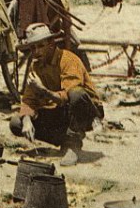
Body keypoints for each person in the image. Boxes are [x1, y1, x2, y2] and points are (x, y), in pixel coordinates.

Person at [10, 23, 104, 166]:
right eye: (33, 47)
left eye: (40, 45)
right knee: (17, 123)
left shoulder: (68, 60)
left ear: (51, 44)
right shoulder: (36, 65)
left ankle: (73, 145)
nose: (36, 51)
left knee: (76, 94)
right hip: (60, 111)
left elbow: (69, 95)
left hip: (85, 110)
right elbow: (29, 99)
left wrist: (43, 90)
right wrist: (27, 119)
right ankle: (65, 141)